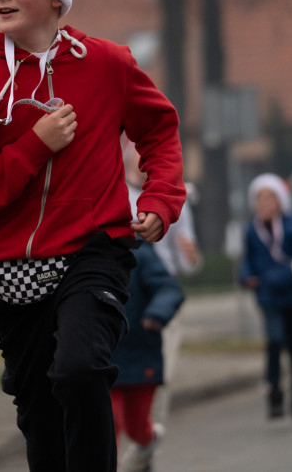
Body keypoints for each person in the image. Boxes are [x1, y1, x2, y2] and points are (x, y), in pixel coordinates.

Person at [0, 0, 185, 472]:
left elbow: (159, 131)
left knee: (80, 370)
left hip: (94, 250)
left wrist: (160, 200)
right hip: (11, 268)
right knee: (41, 416)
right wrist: (32, 149)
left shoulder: (107, 64)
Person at [123, 144, 201, 426]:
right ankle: (135, 437)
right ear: (129, 156)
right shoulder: (116, 194)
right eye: (138, 152)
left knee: (160, 371)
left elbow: (189, 263)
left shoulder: (173, 198)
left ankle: (149, 432)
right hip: (127, 290)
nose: (144, 160)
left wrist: (192, 257)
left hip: (162, 292)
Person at [239, 173, 292, 420]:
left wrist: (280, 277)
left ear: (280, 202)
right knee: (273, 341)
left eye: (269, 199)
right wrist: (246, 276)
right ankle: (274, 391)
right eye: (259, 200)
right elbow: (247, 259)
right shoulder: (252, 230)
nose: (263, 205)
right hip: (268, 298)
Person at [110, 243, 185, 472]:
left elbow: (169, 289)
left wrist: (157, 313)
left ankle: (148, 442)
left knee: (136, 427)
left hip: (140, 354)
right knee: (107, 421)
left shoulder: (141, 254)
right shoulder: (84, 253)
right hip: (104, 357)